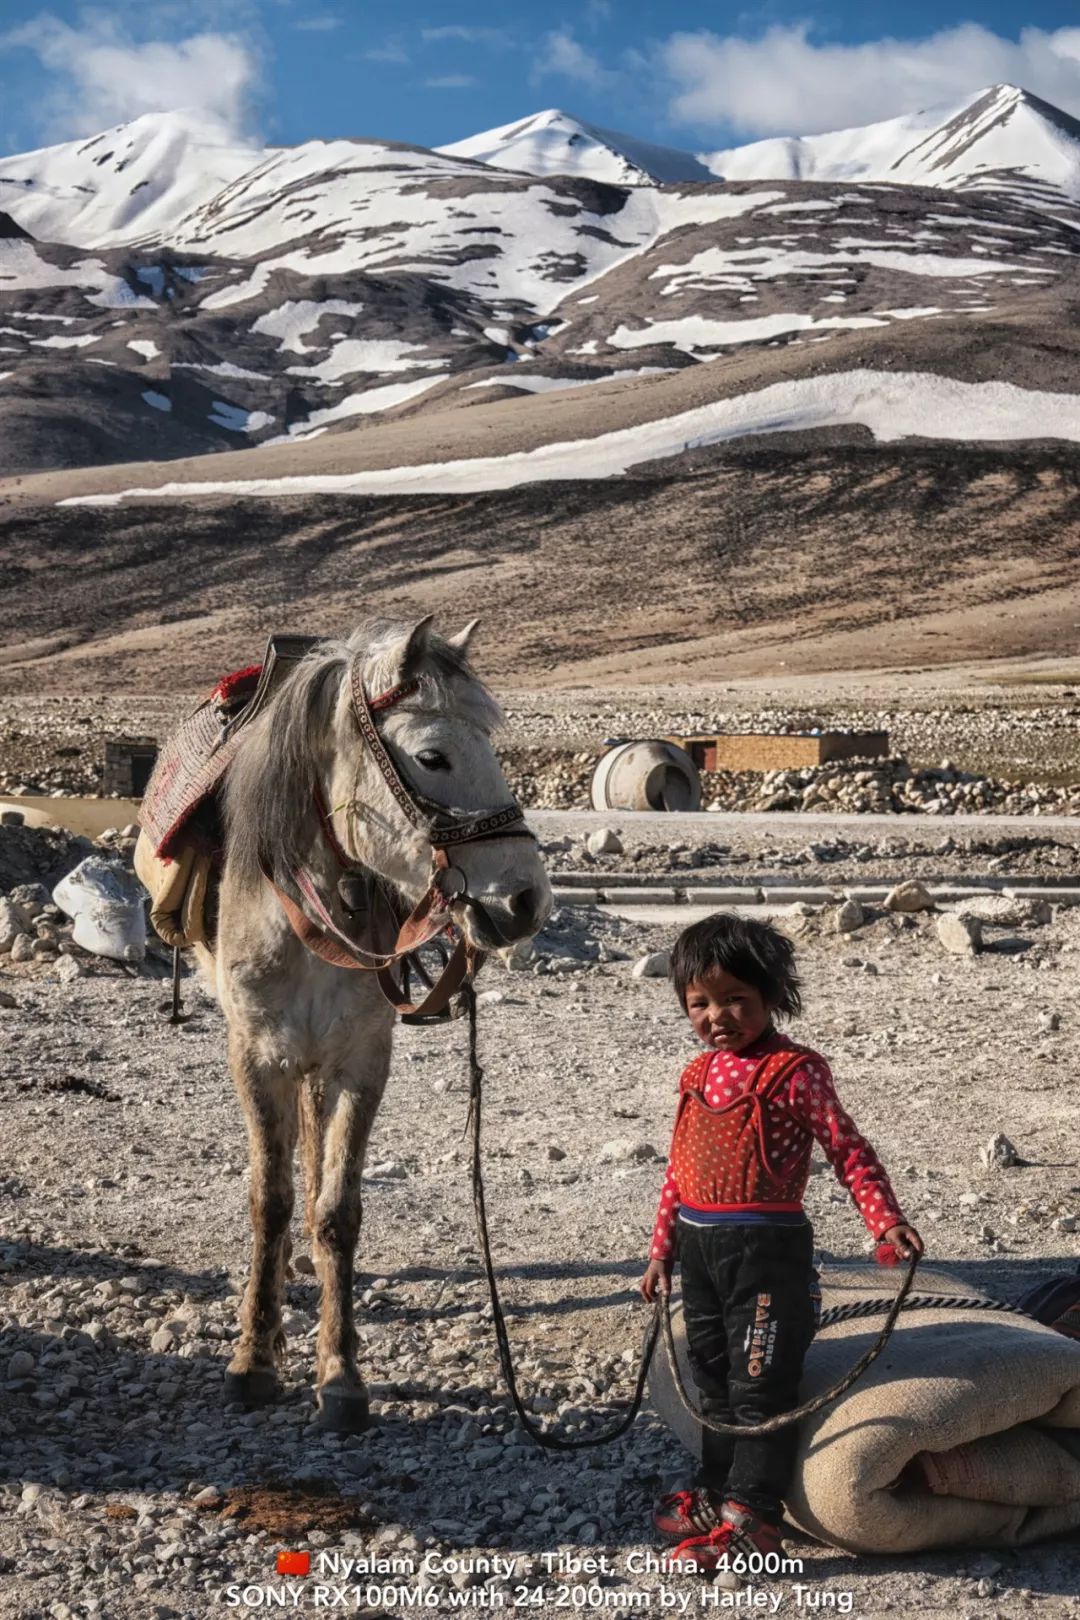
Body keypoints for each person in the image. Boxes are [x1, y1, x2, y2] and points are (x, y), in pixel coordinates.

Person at [640, 913, 922, 1574]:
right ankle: (714, 1492)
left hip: (767, 1258)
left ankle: (754, 1514)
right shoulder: (695, 1076)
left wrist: (884, 1221)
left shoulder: (797, 1072)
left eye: (736, 998)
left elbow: (848, 1150)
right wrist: (660, 1252)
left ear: (772, 995)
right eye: (700, 1003)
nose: (718, 1015)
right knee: (710, 1379)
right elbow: (677, 1173)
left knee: (759, 1384)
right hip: (700, 1255)